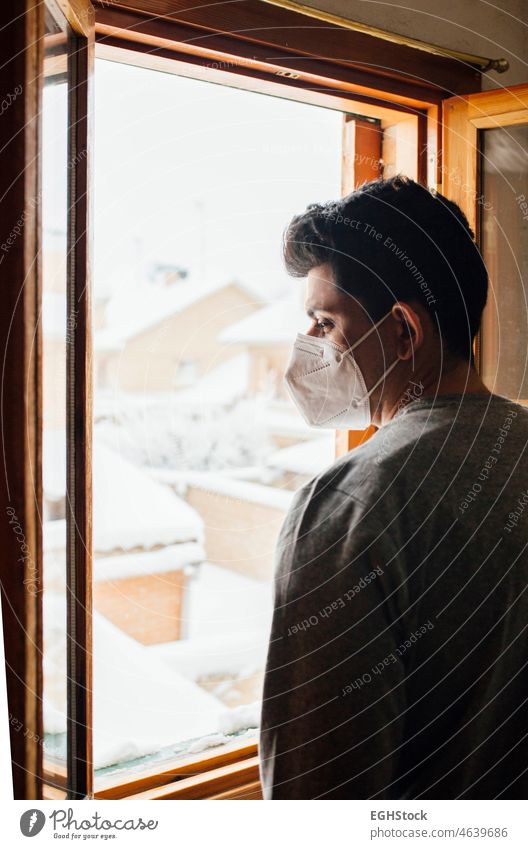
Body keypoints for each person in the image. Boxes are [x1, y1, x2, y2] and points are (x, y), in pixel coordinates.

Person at [259, 175, 528, 800]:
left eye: (324, 322)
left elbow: (316, 806)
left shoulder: (349, 506)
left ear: (403, 332)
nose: (309, 347)